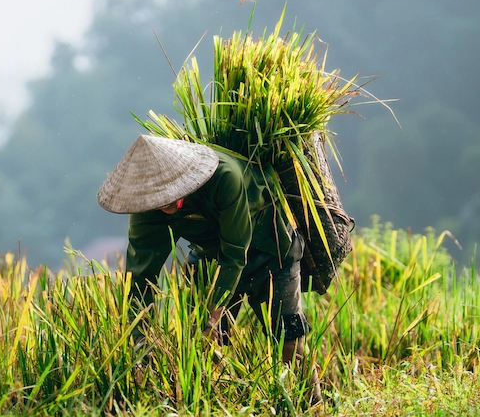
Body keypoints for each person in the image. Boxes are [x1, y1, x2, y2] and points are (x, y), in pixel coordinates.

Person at [97, 134, 320, 402]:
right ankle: (209, 411)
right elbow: (140, 278)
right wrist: (140, 342)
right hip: (210, 261)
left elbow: (235, 254)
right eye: (158, 201)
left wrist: (213, 314)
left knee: (288, 335)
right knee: (201, 344)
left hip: (270, 252)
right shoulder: (148, 208)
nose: (164, 208)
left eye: (169, 198)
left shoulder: (226, 177)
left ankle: (311, 409)